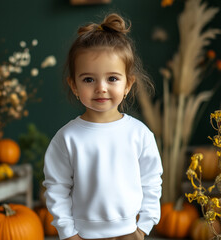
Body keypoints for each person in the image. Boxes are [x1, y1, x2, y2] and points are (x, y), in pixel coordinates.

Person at [43, 13, 163, 240]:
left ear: (128, 84)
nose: (101, 88)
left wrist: (143, 227)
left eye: (112, 79)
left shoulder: (139, 134)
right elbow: (56, 188)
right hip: (82, 235)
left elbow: (151, 182)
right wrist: (68, 233)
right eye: (89, 79)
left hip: (130, 233)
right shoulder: (67, 138)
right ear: (74, 85)